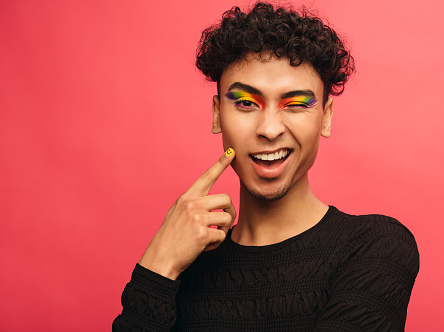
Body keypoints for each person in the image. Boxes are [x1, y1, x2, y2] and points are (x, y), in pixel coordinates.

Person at [113, 3, 419, 331]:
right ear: (217, 114)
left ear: (326, 117)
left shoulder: (374, 247)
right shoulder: (178, 271)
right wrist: (158, 263)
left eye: (296, 104)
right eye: (246, 103)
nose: (270, 129)